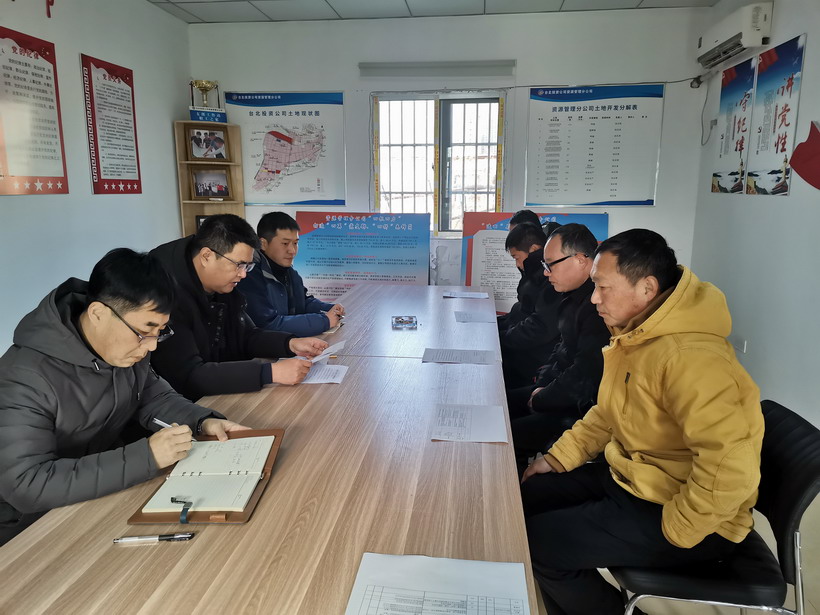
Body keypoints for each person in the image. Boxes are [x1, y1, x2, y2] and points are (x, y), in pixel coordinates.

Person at [521, 229, 764, 615]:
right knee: (528, 497)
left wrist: (678, 529)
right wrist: (556, 458)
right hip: (637, 478)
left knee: (538, 543)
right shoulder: (638, 335)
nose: (594, 298)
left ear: (647, 288)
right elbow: (608, 411)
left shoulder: (691, 357)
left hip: (688, 515)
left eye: (603, 287)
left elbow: (731, 468)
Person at [0, 249, 251, 546]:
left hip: (100, 498)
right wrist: (147, 457)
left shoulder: (126, 351)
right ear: (98, 314)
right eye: (145, 331)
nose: (152, 346)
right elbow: (26, 484)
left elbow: (155, 397)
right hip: (27, 528)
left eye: (161, 331)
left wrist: (203, 421)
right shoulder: (24, 377)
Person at [150, 214, 327, 401]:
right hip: (180, 406)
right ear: (206, 256)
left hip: (218, 395)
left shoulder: (222, 286)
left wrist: (290, 344)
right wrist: (269, 373)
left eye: (248, 266)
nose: (243, 275)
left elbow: (246, 336)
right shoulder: (163, 293)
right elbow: (189, 376)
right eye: (239, 265)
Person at [506, 223, 610, 457]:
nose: (545, 272)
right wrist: (541, 385)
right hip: (556, 389)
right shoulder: (573, 296)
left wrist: (541, 398)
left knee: (504, 435)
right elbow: (562, 348)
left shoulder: (598, 308)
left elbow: (584, 376)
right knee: (499, 404)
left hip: (578, 410)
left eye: (550, 264)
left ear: (580, 260)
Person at [239, 212, 345, 337]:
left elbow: (303, 302)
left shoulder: (289, 271)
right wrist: (324, 321)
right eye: (285, 243)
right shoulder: (249, 275)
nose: (292, 250)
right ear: (263, 244)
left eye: (295, 243)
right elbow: (268, 325)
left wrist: (329, 308)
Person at [499, 222, 561, 388]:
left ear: (534, 249)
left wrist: (502, 338)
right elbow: (522, 311)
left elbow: (540, 326)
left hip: (534, 361)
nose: (517, 264)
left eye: (517, 258)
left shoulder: (549, 279)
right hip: (525, 350)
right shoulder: (533, 274)